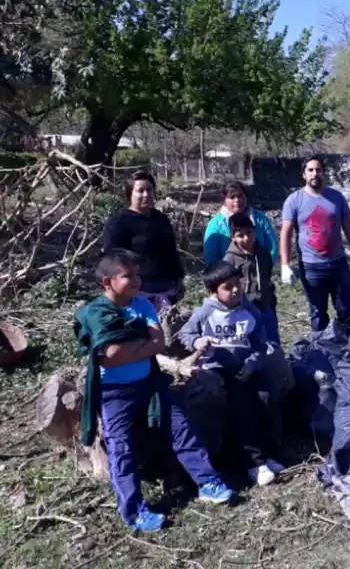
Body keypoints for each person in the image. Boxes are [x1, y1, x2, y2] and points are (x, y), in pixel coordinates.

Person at [74, 249, 233, 532]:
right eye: (128, 276)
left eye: (137, 274)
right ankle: (133, 510)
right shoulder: (95, 313)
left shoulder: (143, 305)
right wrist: (140, 346)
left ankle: (207, 482)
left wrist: (131, 348)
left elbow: (159, 341)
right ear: (107, 282)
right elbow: (109, 354)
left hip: (150, 384)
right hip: (114, 393)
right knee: (121, 448)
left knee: (181, 426)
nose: (136, 280)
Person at [177, 261, 282, 487]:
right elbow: (185, 334)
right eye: (228, 286)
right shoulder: (205, 312)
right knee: (241, 405)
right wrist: (197, 341)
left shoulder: (249, 309)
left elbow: (261, 345)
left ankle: (267, 453)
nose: (235, 290)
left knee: (265, 398)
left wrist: (253, 363)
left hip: (246, 366)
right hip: (219, 368)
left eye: (237, 284)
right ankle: (253, 463)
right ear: (214, 291)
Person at [280, 155, 350, 332]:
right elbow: (286, 233)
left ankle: (347, 348)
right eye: (310, 170)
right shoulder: (294, 200)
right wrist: (285, 265)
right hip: (311, 267)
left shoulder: (336, 198)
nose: (315, 173)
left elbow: (348, 226)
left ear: (324, 172)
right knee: (318, 314)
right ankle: (320, 353)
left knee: (346, 311)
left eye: (318, 169)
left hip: (338, 263)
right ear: (304, 174)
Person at [101, 171, 185, 310]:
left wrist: (178, 278)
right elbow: (112, 258)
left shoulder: (161, 219)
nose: (146, 195)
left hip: (167, 288)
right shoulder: (119, 222)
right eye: (140, 191)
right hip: (139, 290)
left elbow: (171, 251)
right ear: (130, 194)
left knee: (168, 328)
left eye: (149, 190)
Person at [223, 212, 279, 346]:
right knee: (251, 344)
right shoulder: (230, 259)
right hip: (244, 309)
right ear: (233, 238)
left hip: (265, 305)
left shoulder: (263, 253)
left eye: (249, 232)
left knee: (272, 341)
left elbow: (267, 274)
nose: (246, 238)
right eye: (240, 235)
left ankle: (276, 364)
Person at [203, 181, 279, 265]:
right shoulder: (215, 225)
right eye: (232, 197)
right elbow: (210, 257)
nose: (237, 200)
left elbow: (273, 247)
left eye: (240, 196)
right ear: (224, 199)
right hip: (228, 274)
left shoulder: (260, 219)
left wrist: (265, 267)